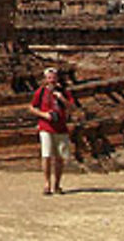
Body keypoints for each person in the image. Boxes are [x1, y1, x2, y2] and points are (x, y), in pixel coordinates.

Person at [29, 67, 75, 195]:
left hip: (61, 128)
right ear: (45, 79)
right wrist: (44, 115)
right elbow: (32, 107)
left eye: (54, 78)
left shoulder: (64, 92)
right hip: (45, 127)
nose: (52, 80)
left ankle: (57, 184)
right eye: (49, 78)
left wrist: (62, 98)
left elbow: (72, 108)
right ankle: (46, 184)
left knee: (59, 158)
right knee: (46, 156)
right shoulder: (41, 92)